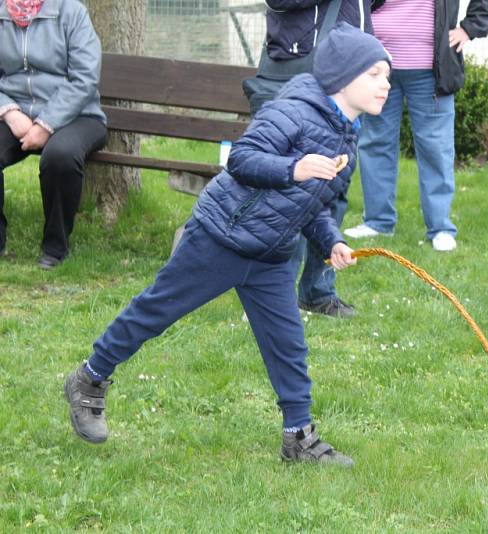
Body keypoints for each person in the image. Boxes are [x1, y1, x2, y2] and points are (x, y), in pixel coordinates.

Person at [63, 22, 391, 467]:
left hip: (272, 253)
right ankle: (90, 379)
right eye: (374, 74)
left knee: (288, 345)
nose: (385, 84)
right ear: (342, 78)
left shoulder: (344, 135)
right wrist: (294, 168)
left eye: (387, 75)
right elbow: (242, 159)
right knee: (156, 310)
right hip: (222, 237)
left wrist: (331, 240)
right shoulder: (292, 111)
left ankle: (298, 437)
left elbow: (314, 202)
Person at [244, 0, 375, 318]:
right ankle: (273, 295)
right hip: (302, 73)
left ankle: (318, 292)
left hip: (348, 80)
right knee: (288, 196)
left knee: (334, 190)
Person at [343, 0, 488, 252]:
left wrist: (470, 28)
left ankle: (440, 228)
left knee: (436, 149)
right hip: (375, 64)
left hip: (431, 69)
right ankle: (378, 222)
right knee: (374, 143)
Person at [0, 0, 107, 269]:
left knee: (60, 156)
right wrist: (10, 112)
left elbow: (84, 77)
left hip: (78, 114)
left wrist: (46, 123)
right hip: (15, 112)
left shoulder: (71, 12)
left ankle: (55, 247)